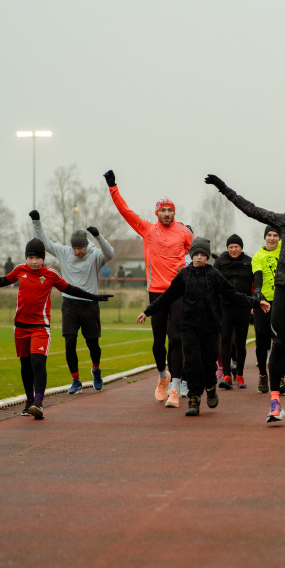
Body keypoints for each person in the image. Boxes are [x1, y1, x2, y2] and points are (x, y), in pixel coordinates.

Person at [205, 176, 285, 424]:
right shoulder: (281, 220)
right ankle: (274, 402)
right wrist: (224, 189)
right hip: (284, 291)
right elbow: (252, 209)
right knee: (279, 344)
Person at [0, 238, 112, 420]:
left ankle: (39, 403)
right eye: (30, 257)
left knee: (37, 362)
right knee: (25, 365)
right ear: (26, 258)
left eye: (37, 258)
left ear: (43, 258)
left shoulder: (50, 275)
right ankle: (29, 400)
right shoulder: (20, 270)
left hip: (40, 327)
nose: (33, 261)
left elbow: (71, 289)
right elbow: (3, 280)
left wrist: (94, 297)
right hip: (20, 326)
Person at [136, 237, 270, 416]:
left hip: (210, 326)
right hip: (189, 326)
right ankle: (194, 398)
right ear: (191, 256)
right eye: (196, 254)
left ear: (207, 256)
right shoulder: (183, 275)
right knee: (191, 363)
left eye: (202, 254)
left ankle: (210, 386)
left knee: (208, 363)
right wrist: (148, 311)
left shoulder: (214, 275)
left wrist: (256, 302)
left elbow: (233, 295)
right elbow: (167, 296)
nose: (199, 258)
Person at [104, 169, 193, 408]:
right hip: (155, 291)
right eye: (163, 210)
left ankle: (175, 387)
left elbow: (198, 255)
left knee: (176, 338)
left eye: (170, 210)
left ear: (175, 212)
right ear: (157, 212)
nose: (166, 213)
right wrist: (113, 187)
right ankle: (163, 377)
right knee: (158, 341)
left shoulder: (184, 232)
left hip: (177, 292)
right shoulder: (146, 229)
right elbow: (125, 211)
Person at [29, 210, 114, 393]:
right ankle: (75, 380)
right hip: (69, 305)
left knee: (93, 344)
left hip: (90, 305)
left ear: (86, 245)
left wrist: (98, 236)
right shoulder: (65, 252)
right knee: (69, 343)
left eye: (81, 248)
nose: (77, 252)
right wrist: (36, 221)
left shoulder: (95, 256)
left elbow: (110, 254)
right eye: (75, 248)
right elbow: (46, 242)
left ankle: (96, 370)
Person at [251, 226, 285, 396]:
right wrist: (258, 293)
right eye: (269, 235)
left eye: (275, 235)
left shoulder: (284, 251)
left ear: (279, 238)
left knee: (281, 341)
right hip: (264, 303)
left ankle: (279, 377)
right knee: (262, 340)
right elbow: (257, 278)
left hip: (282, 301)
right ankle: (262, 375)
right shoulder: (258, 256)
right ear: (265, 237)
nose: (272, 238)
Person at [214, 234, 253, 389]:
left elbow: (255, 282)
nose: (233, 249)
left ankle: (240, 375)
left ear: (241, 248)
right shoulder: (220, 262)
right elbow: (213, 282)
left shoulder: (249, 262)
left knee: (240, 342)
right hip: (225, 307)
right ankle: (227, 375)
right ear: (227, 248)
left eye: (236, 246)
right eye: (230, 247)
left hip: (243, 307)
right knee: (225, 341)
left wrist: (253, 302)